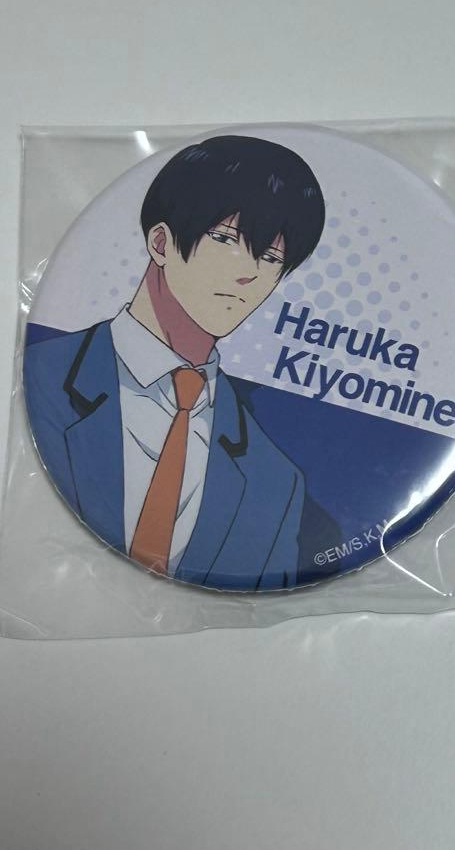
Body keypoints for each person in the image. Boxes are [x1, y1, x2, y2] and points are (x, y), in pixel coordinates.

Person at [24, 135, 326, 589]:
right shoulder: (42, 376)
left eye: (270, 257)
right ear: (161, 243)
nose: (249, 272)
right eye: (225, 239)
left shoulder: (276, 482)